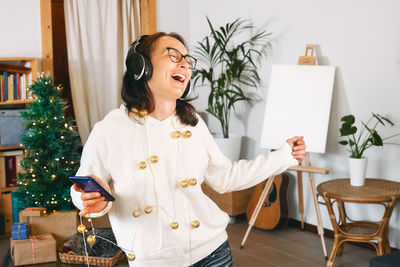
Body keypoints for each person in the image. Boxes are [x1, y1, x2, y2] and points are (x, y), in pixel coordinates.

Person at [70, 32, 306, 267]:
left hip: (213, 252)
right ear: (141, 66)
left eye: (187, 59)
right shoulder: (110, 129)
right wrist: (90, 199)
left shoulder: (192, 122)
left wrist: (284, 156)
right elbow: (84, 187)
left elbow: (226, 177)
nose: (185, 64)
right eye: (173, 55)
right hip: (152, 260)